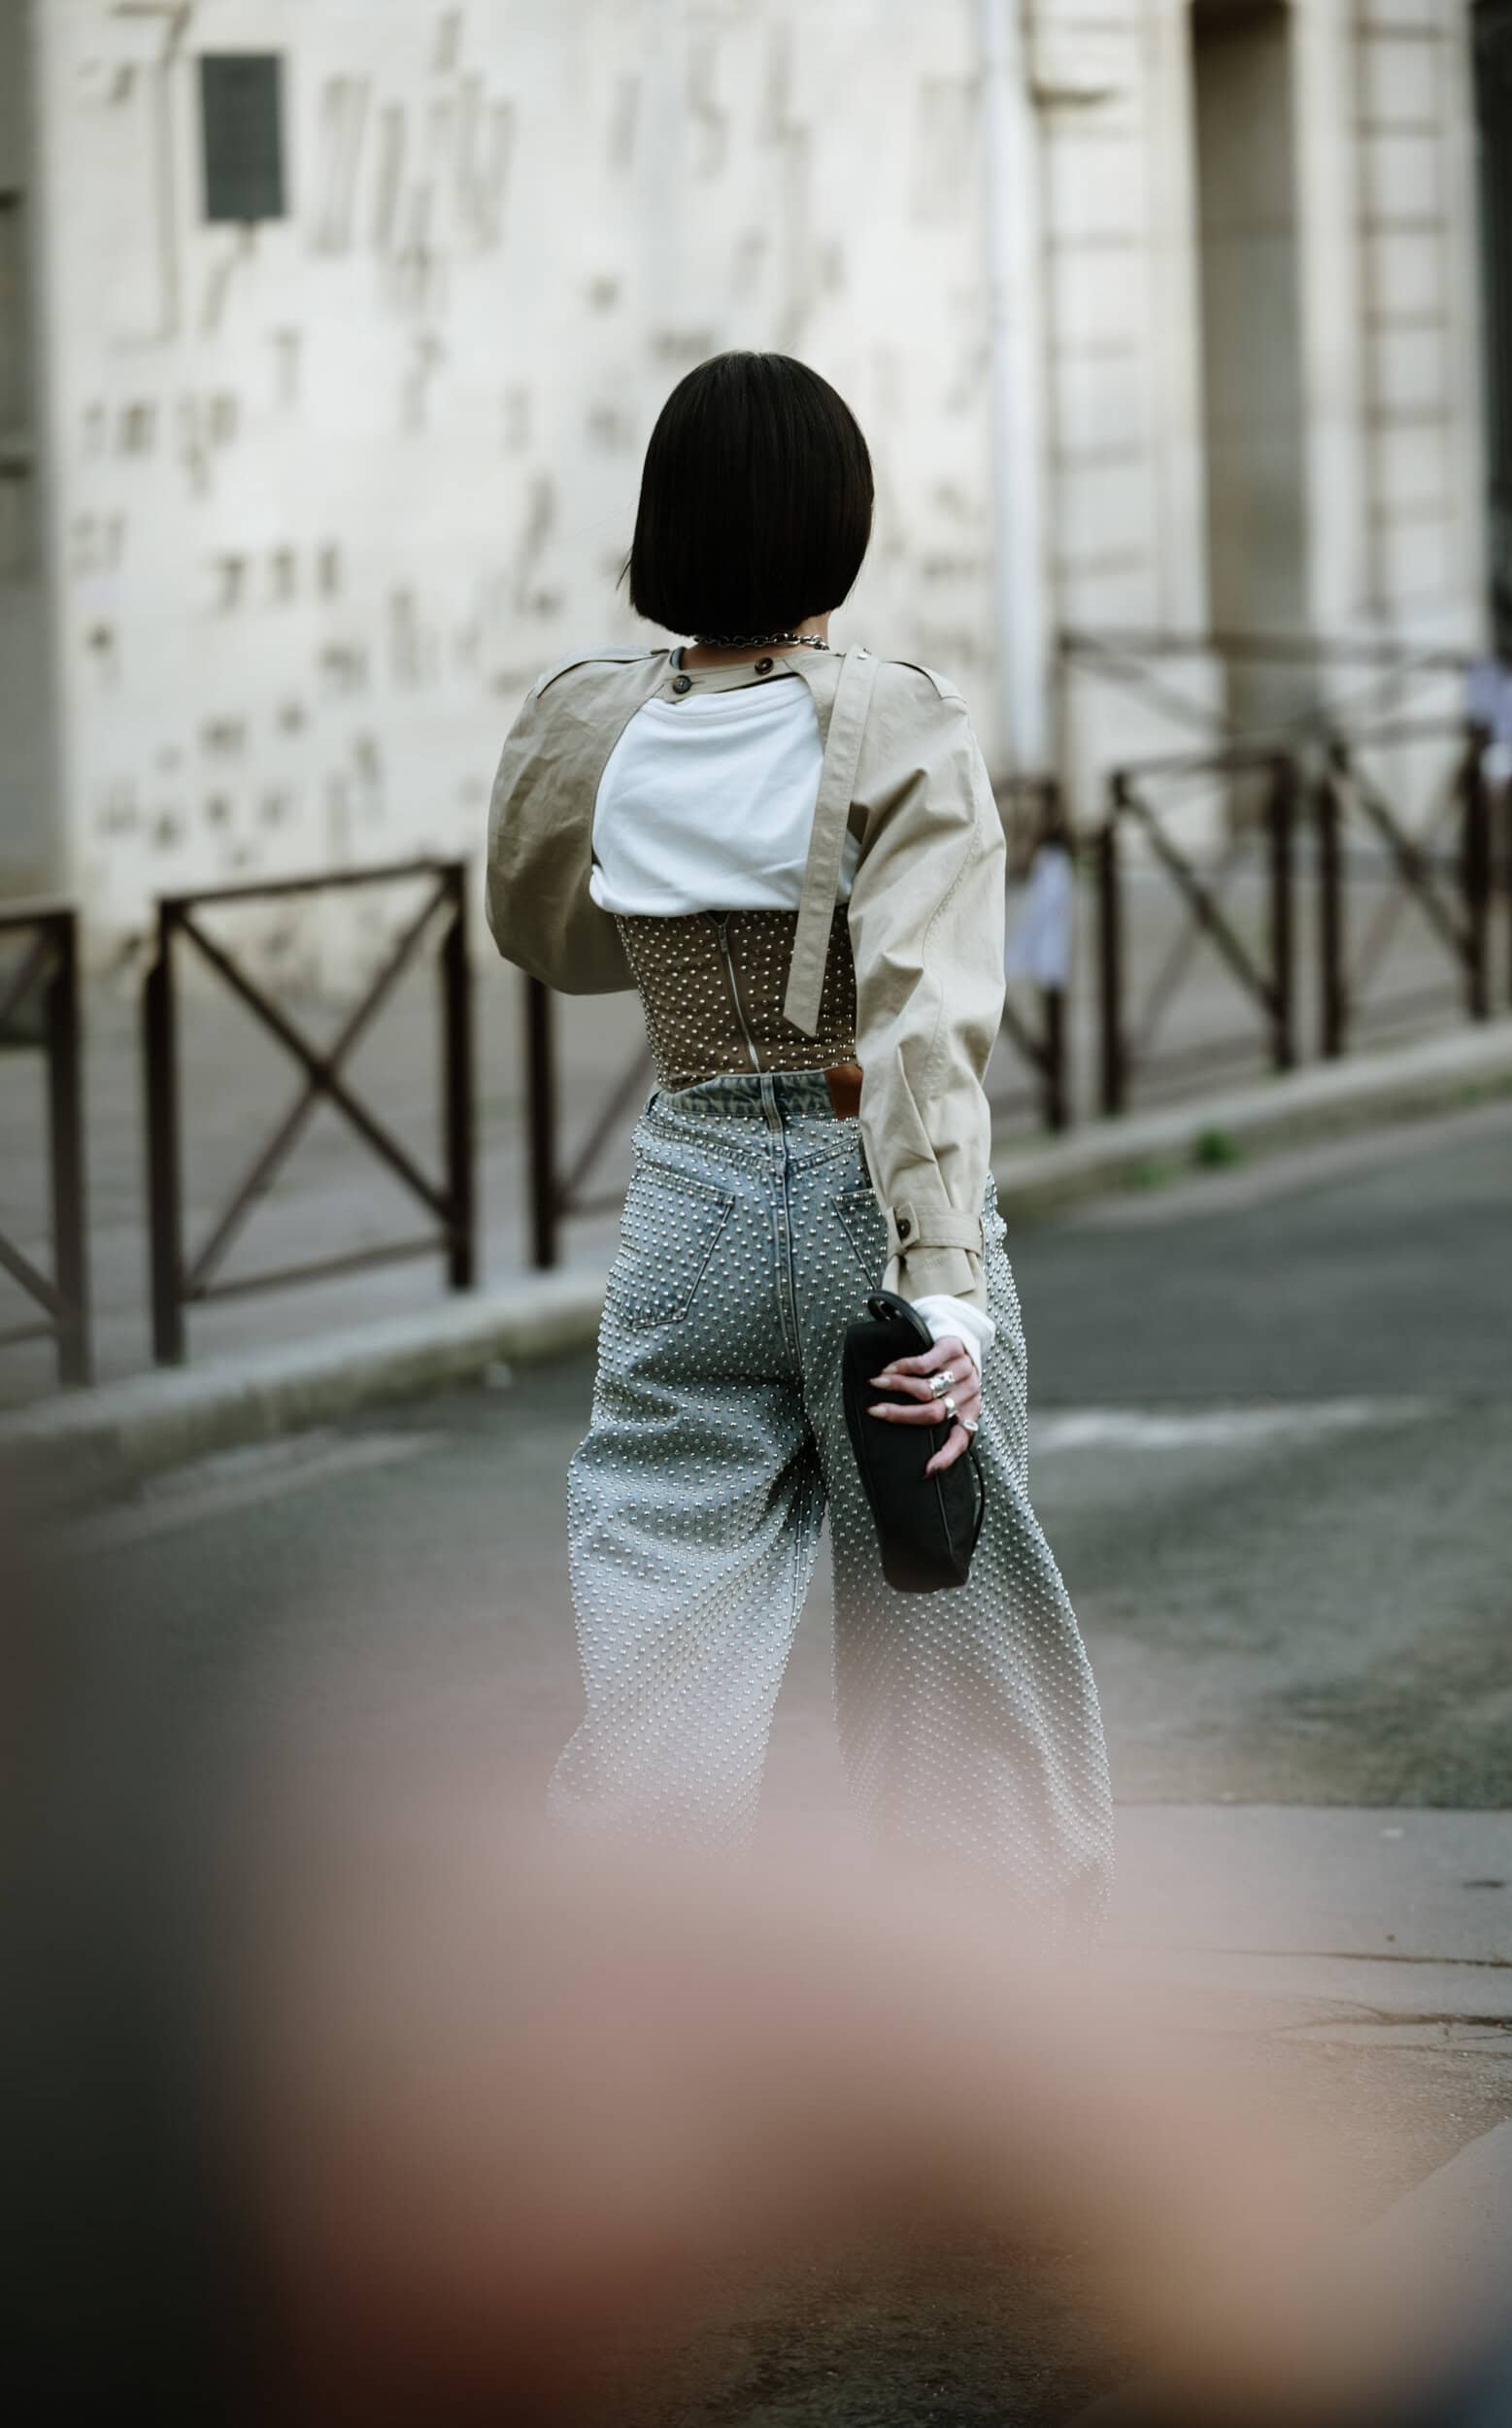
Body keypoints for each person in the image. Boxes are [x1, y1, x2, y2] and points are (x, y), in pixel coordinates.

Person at [487, 350, 1110, 1927]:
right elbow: (923, 1027)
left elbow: (549, 936)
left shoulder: (583, 723)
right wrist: (945, 1281)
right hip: (862, 1198)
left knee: (662, 1597)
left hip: (691, 1187)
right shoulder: (899, 724)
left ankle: (628, 1967)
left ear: (664, 530)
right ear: (842, 526)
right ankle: (990, 2009)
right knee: (947, 1616)